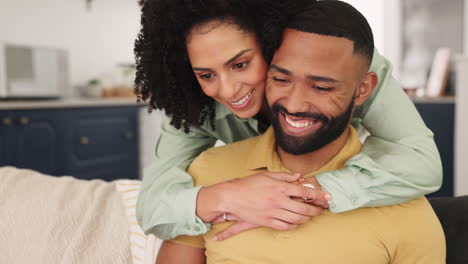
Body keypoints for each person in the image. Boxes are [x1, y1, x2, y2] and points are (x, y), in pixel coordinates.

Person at [156, 2, 446, 263]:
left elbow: (425, 164)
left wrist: (307, 193)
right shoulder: (208, 171)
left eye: (321, 87)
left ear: (362, 90)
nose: (294, 105)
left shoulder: (408, 211)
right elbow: (153, 207)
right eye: (281, 79)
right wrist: (218, 199)